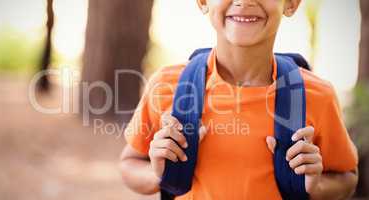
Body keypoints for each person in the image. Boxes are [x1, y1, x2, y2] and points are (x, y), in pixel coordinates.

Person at [119, 0, 358, 199]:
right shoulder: (167, 85)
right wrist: (158, 174)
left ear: (292, 3)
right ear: (203, 2)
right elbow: (129, 163)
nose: (244, 1)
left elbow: (347, 177)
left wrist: (316, 187)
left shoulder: (317, 95)